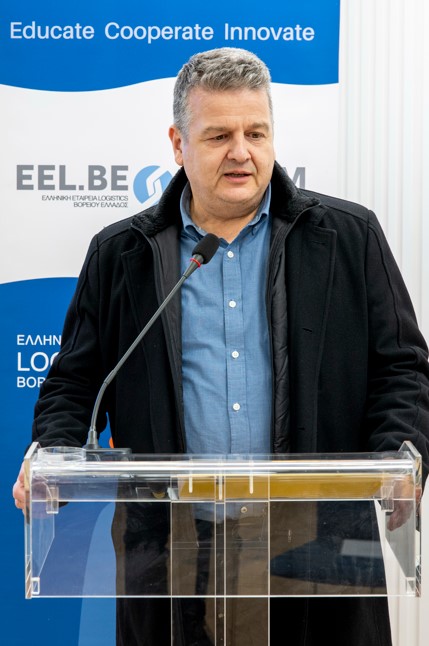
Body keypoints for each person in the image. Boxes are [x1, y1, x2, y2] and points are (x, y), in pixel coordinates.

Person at [13, 47, 429, 645]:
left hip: (315, 542)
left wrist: (399, 458)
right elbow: (77, 383)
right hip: (172, 548)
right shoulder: (122, 254)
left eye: (256, 132)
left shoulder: (347, 237)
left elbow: (402, 369)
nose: (242, 152)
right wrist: (54, 459)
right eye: (219, 136)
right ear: (178, 144)